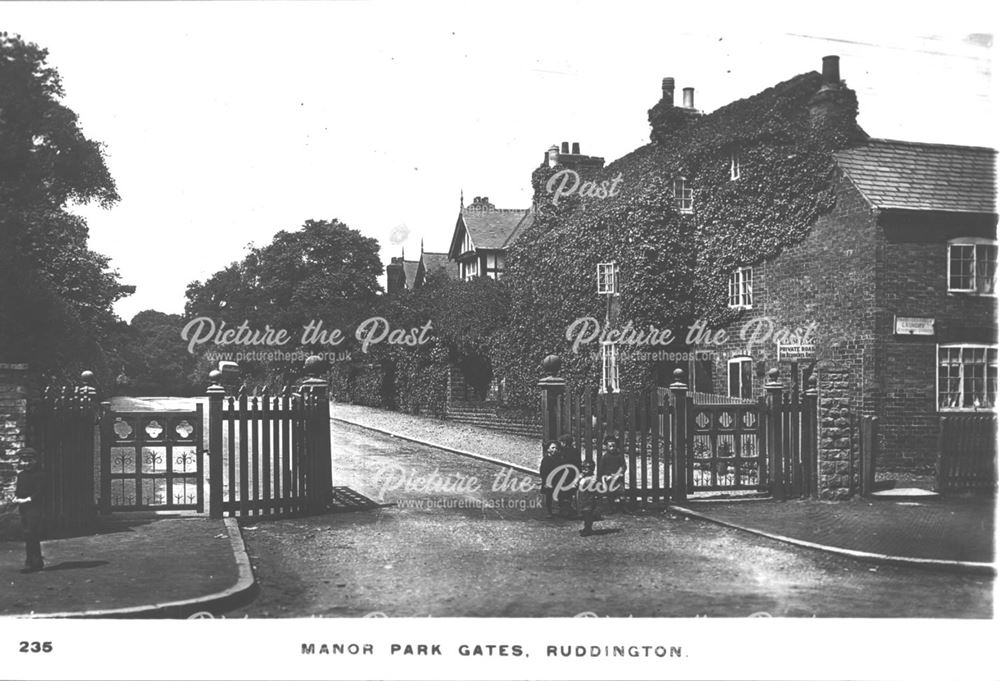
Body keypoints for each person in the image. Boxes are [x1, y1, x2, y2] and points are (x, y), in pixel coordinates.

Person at [12, 447, 45, 572]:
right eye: (24, 461)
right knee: (27, 534)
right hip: (24, 508)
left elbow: (40, 493)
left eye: (29, 460)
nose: (26, 463)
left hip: (34, 508)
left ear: (35, 461)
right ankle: (34, 561)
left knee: (32, 533)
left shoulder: (40, 475)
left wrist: (27, 499)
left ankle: (32, 563)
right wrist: (16, 498)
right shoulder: (21, 475)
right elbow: (19, 490)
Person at [598, 434, 626, 514]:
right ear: (606, 447)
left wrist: (620, 473)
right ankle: (611, 508)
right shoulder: (605, 457)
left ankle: (622, 507)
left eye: (614, 446)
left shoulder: (619, 456)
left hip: (618, 478)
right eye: (610, 446)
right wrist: (603, 479)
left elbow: (623, 466)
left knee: (621, 492)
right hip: (608, 478)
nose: (612, 448)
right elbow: (601, 470)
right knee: (610, 494)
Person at [556, 435, 581, 516]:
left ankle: (564, 509)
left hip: (564, 474)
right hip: (572, 474)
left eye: (562, 442)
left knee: (563, 492)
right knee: (569, 492)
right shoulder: (576, 451)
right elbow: (578, 464)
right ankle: (568, 508)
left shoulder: (562, 452)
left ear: (565, 443)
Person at [538, 441, 561, 518]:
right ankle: (549, 511)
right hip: (548, 480)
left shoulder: (558, 458)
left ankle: (558, 509)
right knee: (549, 496)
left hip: (556, 479)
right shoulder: (546, 459)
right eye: (553, 448)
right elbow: (543, 471)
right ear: (548, 449)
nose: (555, 450)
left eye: (556, 448)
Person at [577, 460, 598, 536]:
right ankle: (586, 528)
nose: (584, 470)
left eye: (587, 469)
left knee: (588, 514)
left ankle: (588, 529)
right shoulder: (583, 477)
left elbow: (590, 488)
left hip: (589, 499)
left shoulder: (592, 478)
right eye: (583, 468)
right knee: (584, 514)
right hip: (582, 498)